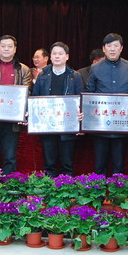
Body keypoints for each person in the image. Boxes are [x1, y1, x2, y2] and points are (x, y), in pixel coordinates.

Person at [86, 33, 128, 175]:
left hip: (122, 126)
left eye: (116, 46)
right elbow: (89, 93)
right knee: (100, 166)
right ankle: (98, 189)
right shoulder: (95, 68)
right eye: (109, 46)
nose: (112, 49)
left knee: (119, 165)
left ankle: (118, 189)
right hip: (100, 126)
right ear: (103, 48)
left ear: (121, 48)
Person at [0, 35, 31, 174]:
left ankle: (9, 184)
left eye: (9, 46)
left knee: (10, 157)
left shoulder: (23, 69)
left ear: (15, 49)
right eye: (3, 46)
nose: (6, 49)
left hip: (12, 120)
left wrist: (23, 112)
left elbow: (27, 93)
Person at [31, 42, 84, 176]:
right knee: (49, 164)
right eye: (54, 54)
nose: (57, 56)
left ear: (67, 56)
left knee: (67, 164)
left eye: (60, 54)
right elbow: (35, 98)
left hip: (68, 126)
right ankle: (49, 187)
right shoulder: (43, 75)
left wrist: (80, 119)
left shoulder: (75, 76)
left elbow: (80, 100)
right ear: (50, 57)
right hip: (47, 126)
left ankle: (66, 187)